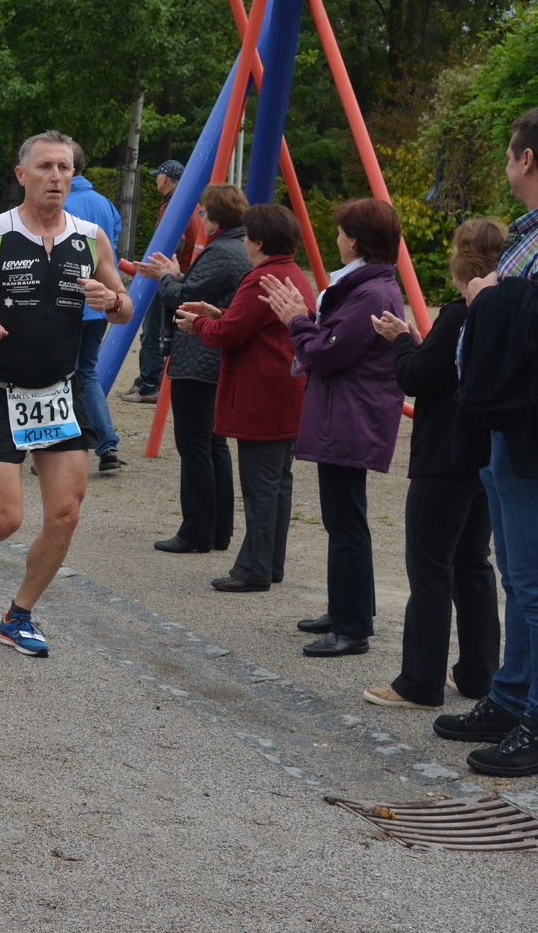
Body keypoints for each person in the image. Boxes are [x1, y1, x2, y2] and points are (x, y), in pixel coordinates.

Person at [0, 131, 134, 656]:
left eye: (65, 167)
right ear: (22, 175)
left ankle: (19, 615)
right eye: (45, 167)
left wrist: (111, 299)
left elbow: (124, 308)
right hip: (1, 390)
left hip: (59, 392)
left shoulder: (91, 237)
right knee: (6, 519)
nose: (56, 177)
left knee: (66, 514)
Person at [360, 218, 504, 709]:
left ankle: (419, 681)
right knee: (472, 563)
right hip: (484, 451)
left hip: (444, 452)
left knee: (430, 565)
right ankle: (480, 673)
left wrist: (401, 340)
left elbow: (418, 376)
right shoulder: (505, 306)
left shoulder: (460, 314)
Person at [434, 108, 538, 776]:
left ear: (527, 159)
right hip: (506, 424)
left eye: (508, 152)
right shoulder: (527, 235)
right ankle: (510, 694)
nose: (505, 163)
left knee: (533, 581)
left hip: (529, 425)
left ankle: (532, 716)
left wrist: (487, 297)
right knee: (517, 575)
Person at [260, 198, 407, 657]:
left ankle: (352, 626)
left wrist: (297, 321)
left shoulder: (370, 292)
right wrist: (306, 322)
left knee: (346, 522)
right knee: (342, 518)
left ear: (356, 241)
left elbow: (327, 352)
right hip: (346, 414)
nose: (337, 240)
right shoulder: (367, 287)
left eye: (342, 232)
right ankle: (346, 608)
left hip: (352, 417)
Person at [177, 203, 314, 592]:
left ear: (258, 241)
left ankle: (254, 568)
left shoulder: (263, 278)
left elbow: (229, 334)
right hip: (287, 392)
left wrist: (201, 323)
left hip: (262, 395)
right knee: (277, 483)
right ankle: (269, 563)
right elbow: (252, 324)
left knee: (260, 486)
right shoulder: (294, 275)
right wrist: (219, 314)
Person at [139, 183, 250, 554]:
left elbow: (184, 299)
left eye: (203, 211)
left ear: (214, 215)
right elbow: (200, 290)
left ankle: (196, 530)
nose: (200, 217)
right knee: (214, 445)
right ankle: (218, 529)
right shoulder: (237, 247)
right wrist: (175, 274)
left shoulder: (221, 251)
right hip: (214, 358)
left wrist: (166, 278)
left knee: (195, 447)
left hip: (199, 359)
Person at [63, 142, 126, 473]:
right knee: (86, 373)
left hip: (64, 303)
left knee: (60, 373)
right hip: (99, 303)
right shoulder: (105, 204)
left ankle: (56, 444)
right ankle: (107, 444)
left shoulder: (55, 203)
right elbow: (111, 250)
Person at [122, 159, 204, 402]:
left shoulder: (176, 205)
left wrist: (160, 269)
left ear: (166, 178)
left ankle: (149, 384)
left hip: (170, 275)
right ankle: (144, 380)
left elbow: (176, 241)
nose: (156, 178)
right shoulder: (191, 203)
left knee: (154, 330)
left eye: (159, 175)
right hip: (182, 274)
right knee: (157, 329)